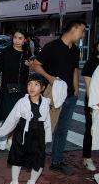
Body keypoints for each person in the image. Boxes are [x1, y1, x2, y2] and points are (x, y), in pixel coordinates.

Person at [33, 20, 86, 175]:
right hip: (53, 95)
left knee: (62, 130)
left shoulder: (75, 50)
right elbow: (36, 64)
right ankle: (35, 158)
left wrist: (76, 89)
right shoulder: (52, 47)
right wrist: (49, 78)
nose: (82, 35)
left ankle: (57, 161)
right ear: (74, 29)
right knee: (46, 128)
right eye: (81, 31)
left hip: (70, 97)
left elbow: (74, 70)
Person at [0, 73, 51, 184]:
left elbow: (47, 121)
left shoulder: (45, 103)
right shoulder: (22, 102)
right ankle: (14, 183)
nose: (32, 87)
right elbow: (12, 119)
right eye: (30, 84)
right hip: (23, 132)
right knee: (18, 157)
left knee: (39, 160)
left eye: (36, 84)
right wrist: (1, 132)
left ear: (42, 88)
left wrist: (47, 138)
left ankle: (31, 182)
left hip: (38, 133)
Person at [0, 30, 32, 149]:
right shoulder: (6, 52)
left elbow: (30, 70)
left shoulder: (27, 53)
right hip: (8, 87)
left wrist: (30, 65)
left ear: (25, 40)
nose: (17, 40)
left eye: (20, 38)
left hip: (22, 88)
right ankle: (4, 137)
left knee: (18, 115)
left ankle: (10, 138)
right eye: (15, 37)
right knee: (8, 114)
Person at [81, 41, 99, 171]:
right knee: (90, 128)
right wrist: (92, 104)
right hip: (93, 101)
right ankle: (87, 158)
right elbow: (88, 86)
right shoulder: (91, 63)